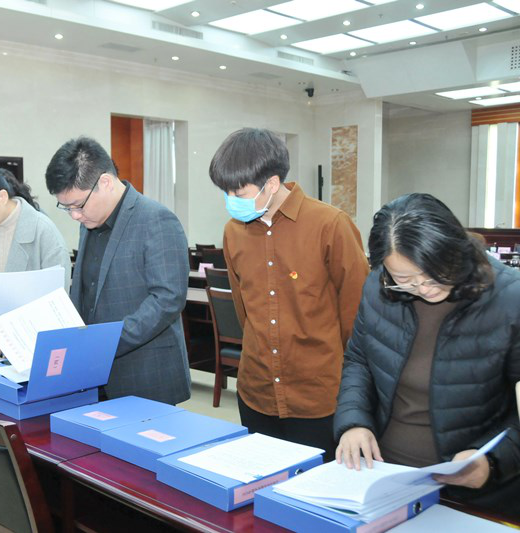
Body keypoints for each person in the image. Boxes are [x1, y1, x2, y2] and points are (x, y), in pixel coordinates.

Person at [335, 193, 520, 519]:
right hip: (386, 476)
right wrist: (354, 422)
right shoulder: (379, 286)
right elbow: (359, 360)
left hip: (472, 492)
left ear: (454, 249)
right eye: (405, 280)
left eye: (434, 274)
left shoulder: (509, 298)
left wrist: (492, 461)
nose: (424, 288)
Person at [208, 128, 369, 455]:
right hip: (256, 392)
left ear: (271, 183)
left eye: (239, 192)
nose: (231, 200)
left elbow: (357, 316)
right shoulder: (233, 232)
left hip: (318, 397)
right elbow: (243, 309)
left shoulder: (330, 225)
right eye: (226, 191)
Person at [45, 137, 191, 405]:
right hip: (91, 373)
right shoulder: (88, 222)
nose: (74, 215)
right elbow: (87, 290)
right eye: (67, 208)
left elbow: (167, 299)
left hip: (145, 373)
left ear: (105, 182)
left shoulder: (156, 219)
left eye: (78, 205)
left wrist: (106, 342)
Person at [0, 164, 70, 351]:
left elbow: (56, 300)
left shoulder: (43, 230)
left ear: (2, 197)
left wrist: (18, 337)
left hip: (34, 344)